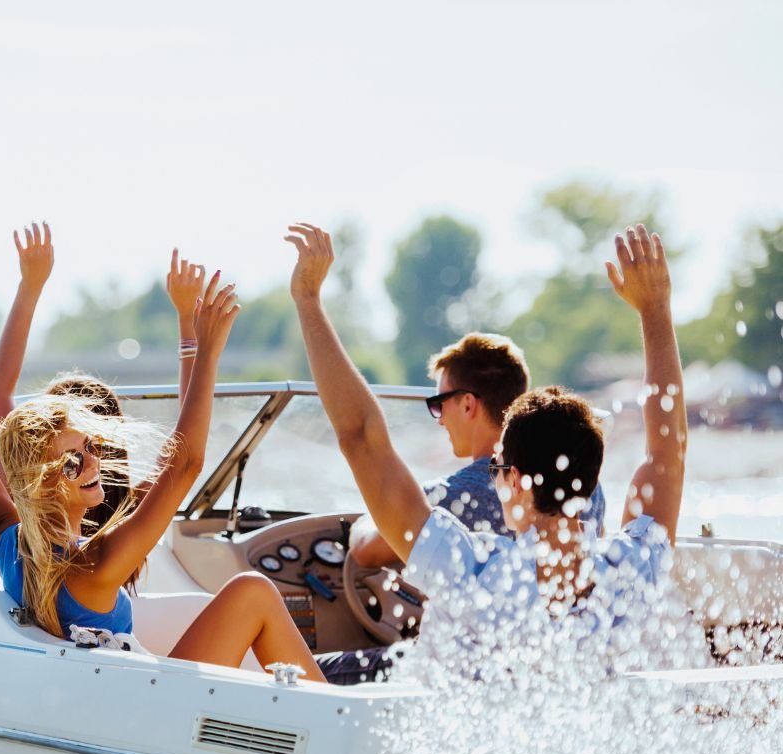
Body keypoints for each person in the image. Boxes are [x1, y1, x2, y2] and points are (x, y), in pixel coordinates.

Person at [286, 221, 688, 674]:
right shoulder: (632, 567)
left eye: (496, 468)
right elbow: (667, 452)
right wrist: (655, 310)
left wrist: (308, 300)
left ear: (514, 479)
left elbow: (360, 437)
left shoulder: (473, 571)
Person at [0, 263, 326, 682]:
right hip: (153, 712)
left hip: (113, 701)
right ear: (44, 482)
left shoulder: (10, 544)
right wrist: (205, 350)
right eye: (74, 461)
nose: (94, 463)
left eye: (92, 447)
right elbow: (184, 464)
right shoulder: (96, 563)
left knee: (252, 594)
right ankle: (335, 724)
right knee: (253, 592)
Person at [0, 223, 207, 537]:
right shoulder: (129, 523)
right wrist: (187, 322)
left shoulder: (25, 509)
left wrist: (31, 285)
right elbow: (186, 448)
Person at [348, 331, 606, 568]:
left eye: (439, 403)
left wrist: (367, 519)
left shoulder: (450, 497)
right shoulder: (586, 485)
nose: (439, 419)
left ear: (468, 404)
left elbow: (365, 551)